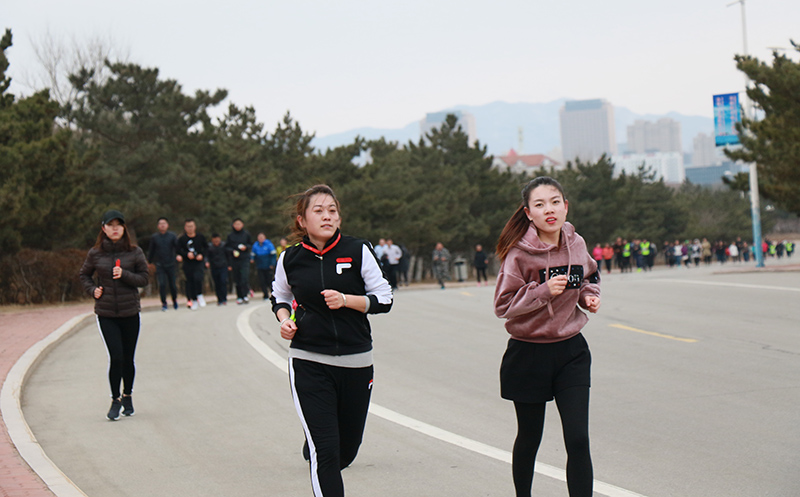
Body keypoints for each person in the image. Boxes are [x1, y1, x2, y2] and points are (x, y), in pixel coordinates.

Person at [271, 185, 393, 497]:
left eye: (332, 210)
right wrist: (285, 320)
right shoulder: (290, 259)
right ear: (302, 220)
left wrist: (347, 300)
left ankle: (316, 442)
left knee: (345, 451)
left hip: (356, 361)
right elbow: (280, 296)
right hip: (309, 360)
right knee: (325, 451)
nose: (327, 216)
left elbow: (384, 298)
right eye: (319, 211)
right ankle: (317, 440)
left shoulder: (357, 250)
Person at [493, 177, 600, 497]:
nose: (549, 210)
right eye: (539, 205)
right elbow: (502, 306)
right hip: (528, 354)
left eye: (555, 202)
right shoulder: (519, 255)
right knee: (529, 437)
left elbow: (589, 275)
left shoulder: (576, 243)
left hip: (571, 352)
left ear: (566, 206)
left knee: (578, 438)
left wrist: (588, 296)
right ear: (528, 213)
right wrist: (542, 291)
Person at [79, 210, 149, 420]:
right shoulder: (95, 253)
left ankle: (128, 395)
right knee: (116, 356)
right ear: (104, 228)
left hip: (130, 312)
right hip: (106, 312)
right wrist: (93, 290)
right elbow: (84, 275)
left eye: (119, 224)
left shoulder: (134, 252)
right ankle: (115, 400)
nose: (115, 228)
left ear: (124, 228)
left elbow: (144, 278)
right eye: (111, 225)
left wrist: (125, 275)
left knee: (128, 358)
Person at [147, 217, 179, 311]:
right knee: (162, 284)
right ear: (158, 226)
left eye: (164, 223)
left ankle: (174, 300)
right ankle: (164, 303)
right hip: (160, 264)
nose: (162, 225)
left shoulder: (172, 236)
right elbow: (151, 250)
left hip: (171, 264)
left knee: (173, 284)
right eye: (160, 224)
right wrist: (149, 261)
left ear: (167, 225)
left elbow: (177, 248)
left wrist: (178, 256)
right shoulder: (154, 237)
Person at [176, 219, 208, 310]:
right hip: (187, 263)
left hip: (198, 262)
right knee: (190, 281)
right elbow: (178, 250)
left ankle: (199, 294)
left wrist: (202, 255)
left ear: (195, 227)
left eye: (191, 226)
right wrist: (186, 255)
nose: (190, 228)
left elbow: (206, 248)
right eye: (188, 226)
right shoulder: (182, 239)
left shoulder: (200, 237)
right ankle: (193, 299)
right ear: (185, 227)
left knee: (198, 278)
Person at [226, 218, 253, 304]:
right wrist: (232, 251)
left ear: (242, 225)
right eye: (236, 224)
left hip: (244, 259)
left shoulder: (246, 234)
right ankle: (239, 296)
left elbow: (250, 244)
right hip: (234, 260)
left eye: (239, 224)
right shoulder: (230, 236)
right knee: (237, 278)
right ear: (233, 225)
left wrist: (246, 247)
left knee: (244, 277)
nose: (237, 226)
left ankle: (245, 295)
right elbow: (227, 247)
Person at [251, 232, 277, 300]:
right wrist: (252, 259)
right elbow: (253, 254)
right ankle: (265, 295)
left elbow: (273, 255)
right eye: (259, 238)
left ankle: (273, 294)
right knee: (262, 281)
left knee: (270, 281)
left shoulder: (269, 244)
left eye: (262, 237)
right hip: (260, 265)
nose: (260, 239)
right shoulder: (256, 245)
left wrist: (272, 264)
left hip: (268, 265)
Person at [207, 233, 229, 305]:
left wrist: (229, 265)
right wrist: (207, 262)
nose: (216, 242)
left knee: (223, 282)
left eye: (217, 240)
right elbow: (206, 256)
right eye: (214, 240)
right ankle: (219, 299)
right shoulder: (209, 247)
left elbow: (228, 255)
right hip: (214, 267)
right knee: (217, 283)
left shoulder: (224, 245)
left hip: (223, 266)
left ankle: (224, 298)